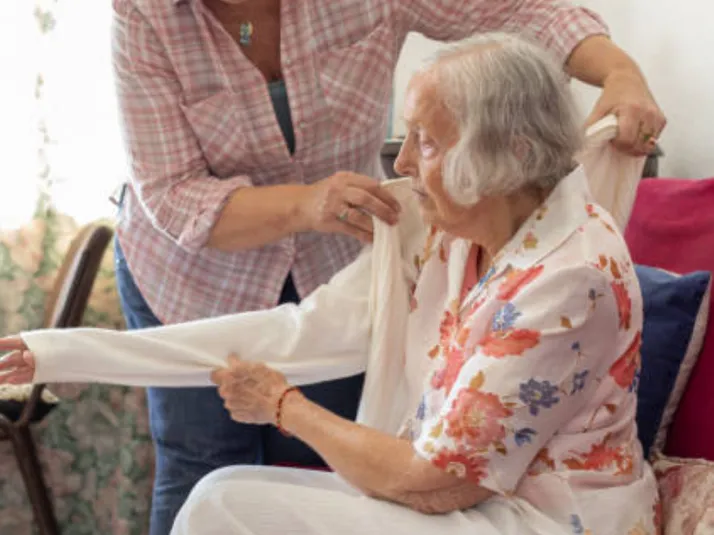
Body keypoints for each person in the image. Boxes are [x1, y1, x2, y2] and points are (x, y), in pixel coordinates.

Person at [1, 33, 659, 534]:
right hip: (467, 496)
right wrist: (62, 352)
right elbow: (293, 333)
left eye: (427, 143)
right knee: (218, 493)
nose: (401, 162)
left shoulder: (569, 279)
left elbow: (436, 482)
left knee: (222, 505)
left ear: (507, 155)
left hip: (540, 518)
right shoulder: (451, 230)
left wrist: (285, 406)